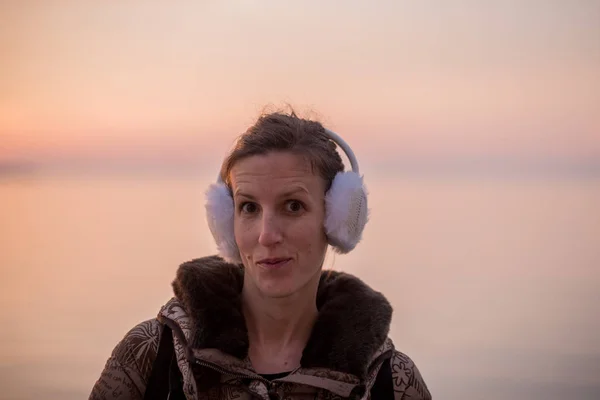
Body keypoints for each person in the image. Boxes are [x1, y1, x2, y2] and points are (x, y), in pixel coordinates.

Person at [89, 110, 432, 400]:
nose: (266, 235)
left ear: (337, 219)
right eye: (249, 207)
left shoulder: (390, 380)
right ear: (226, 221)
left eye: (293, 206)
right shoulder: (152, 354)